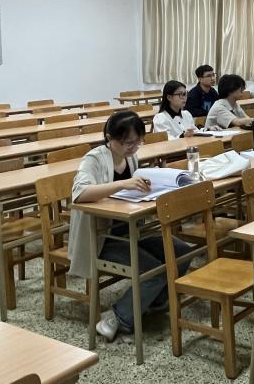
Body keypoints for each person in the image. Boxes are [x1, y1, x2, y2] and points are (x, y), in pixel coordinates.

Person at [68, 111, 192, 342]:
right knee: (153, 271)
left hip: (132, 229)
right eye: (128, 143)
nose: (134, 148)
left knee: (182, 252)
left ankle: (151, 302)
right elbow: (80, 193)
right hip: (103, 238)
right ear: (109, 138)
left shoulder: (130, 157)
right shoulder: (94, 159)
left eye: (138, 142)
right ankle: (118, 317)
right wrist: (123, 184)